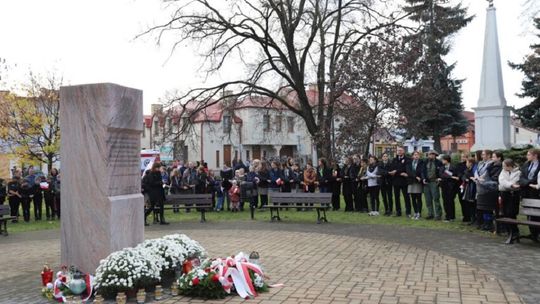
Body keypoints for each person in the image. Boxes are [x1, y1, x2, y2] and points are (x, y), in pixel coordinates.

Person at [474, 150, 502, 232]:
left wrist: (483, 180)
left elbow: (490, 176)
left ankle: (489, 224)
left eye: (484, 154)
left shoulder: (494, 165)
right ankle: (485, 223)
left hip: (489, 188)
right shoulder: (484, 164)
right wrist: (478, 178)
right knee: (483, 208)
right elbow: (480, 172)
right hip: (481, 186)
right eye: (481, 154)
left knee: (488, 208)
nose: (482, 156)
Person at [498, 158, 521, 243]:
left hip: (513, 195)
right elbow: (502, 182)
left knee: (511, 213)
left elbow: (516, 183)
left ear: (509, 166)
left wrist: (510, 185)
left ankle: (515, 232)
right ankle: (510, 232)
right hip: (504, 194)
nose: (503, 167)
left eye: (504, 165)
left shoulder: (518, 172)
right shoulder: (503, 172)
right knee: (505, 213)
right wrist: (510, 184)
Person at [519, 148, 540, 240]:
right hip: (526, 192)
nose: (527, 156)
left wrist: (528, 183)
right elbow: (521, 177)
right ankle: (532, 233)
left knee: (536, 214)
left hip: (535, 193)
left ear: (535, 155)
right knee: (529, 213)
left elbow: (537, 178)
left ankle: (537, 233)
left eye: (528, 154)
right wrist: (528, 183)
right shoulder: (526, 164)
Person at [389, 147, 410, 217]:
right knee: (396, 197)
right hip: (396, 181)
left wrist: (396, 171)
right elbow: (392, 168)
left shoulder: (407, 159)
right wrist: (398, 172)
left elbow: (405, 169)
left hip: (404, 181)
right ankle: (398, 212)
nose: (399, 152)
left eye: (400, 150)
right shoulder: (394, 159)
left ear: (403, 151)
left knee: (406, 197)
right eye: (398, 150)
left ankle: (408, 212)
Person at [422, 150, 443, 220]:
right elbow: (422, 171)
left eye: (431, 154)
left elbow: (442, 171)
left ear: (435, 155)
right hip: (426, 183)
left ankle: (438, 214)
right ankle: (430, 213)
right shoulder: (425, 162)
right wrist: (423, 178)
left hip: (434, 182)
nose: (430, 156)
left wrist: (439, 178)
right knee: (428, 199)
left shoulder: (439, 162)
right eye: (429, 154)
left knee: (436, 198)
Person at [439, 154, 459, 222]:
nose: (442, 161)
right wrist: (451, 176)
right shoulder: (442, 167)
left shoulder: (454, 167)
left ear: (446, 160)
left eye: (443, 160)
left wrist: (450, 176)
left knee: (450, 201)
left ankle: (452, 216)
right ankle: (447, 216)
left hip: (451, 186)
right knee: (445, 201)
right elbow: (442, 175)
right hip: (444, 186)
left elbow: (455, 175)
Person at [406, 151, 424, 220]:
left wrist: (418, 177)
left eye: (417, 155)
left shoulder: (421, 162)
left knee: (418, 198)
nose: (416, 156)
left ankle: (419, 213)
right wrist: (416, 176)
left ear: (419, 156)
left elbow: (421, 171)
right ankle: (415, 212)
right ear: (412, 156)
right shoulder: (409, 163)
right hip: (411, 182)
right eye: (415, 155)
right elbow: (408, 171)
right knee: (413, 198)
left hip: (418, 182)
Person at [462, 157, 478, 226]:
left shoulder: (474, 169)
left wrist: (468, 177)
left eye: (467, 162)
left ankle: (475, 219)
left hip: (473, 188)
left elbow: (471, 176)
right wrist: (465, 178)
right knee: (470, 204)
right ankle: (472, 219)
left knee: (474, 204)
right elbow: (464, 176)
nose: (466, 164)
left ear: (470, 163)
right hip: (468, 187)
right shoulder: (467, 169)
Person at [455, 153, 470, 222]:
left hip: (467, 184)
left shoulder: (468, 165)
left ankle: (468, 216)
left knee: (467, 201)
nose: (463, 158)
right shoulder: (459, 165)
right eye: (462, 157)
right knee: (461, 201)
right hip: (460, 185)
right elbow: (458, 173)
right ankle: (464, 215)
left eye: (464, 157)